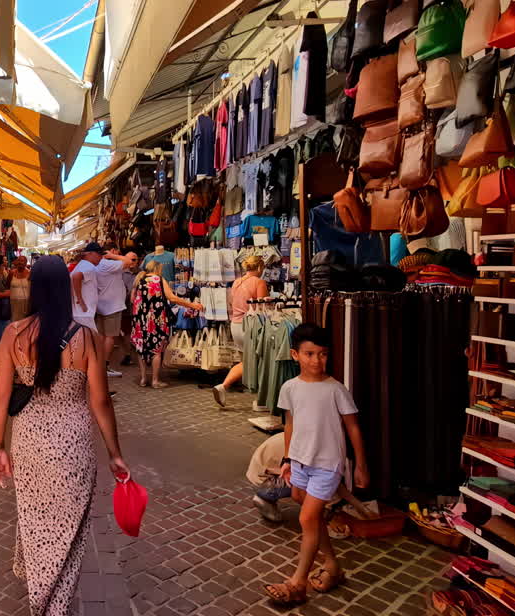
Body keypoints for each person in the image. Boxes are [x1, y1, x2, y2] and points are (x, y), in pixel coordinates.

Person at [0, 256, 129, 616]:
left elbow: (1, 398)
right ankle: (55, 602)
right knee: (71, 525)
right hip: (74, 443)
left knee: (35, 519)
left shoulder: (13, 335)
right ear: (67, 290)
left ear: (34, 288)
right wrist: (115, 454)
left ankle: (41, 594)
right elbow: (100, 402)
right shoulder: (86, 338)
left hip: (29, 442)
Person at [264, 324, 369, 607]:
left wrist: (360, 465)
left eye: (323, 355)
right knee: (304, 506)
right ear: (295, 355)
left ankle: (297, 584)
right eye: (310, 354)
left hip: (327, 463)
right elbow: (290, 424)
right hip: (300, 460)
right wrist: (287, 459)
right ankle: (333, 565)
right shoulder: (290, 388)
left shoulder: (336, 389)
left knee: (307, 519)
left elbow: (353, 428)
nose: (316, 361)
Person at [130, 260, 203, 389]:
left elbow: (132, 300)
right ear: (158, 269)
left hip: (140, 320)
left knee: (141, 349)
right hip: (157, 319)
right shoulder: (158, 279)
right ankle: (155, 380)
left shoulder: (139, 279)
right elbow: (172, 298)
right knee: (156, 350)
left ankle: (143, 379)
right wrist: (192, 305)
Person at [213, 254, 270, 408]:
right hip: (250, 326)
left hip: (236, 325)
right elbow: (262, 309)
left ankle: (223, 386)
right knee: (262, 361)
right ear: (259, 267)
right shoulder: (259, 282)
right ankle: (261, 400)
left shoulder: (237, 282)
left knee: (247, 362)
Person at [94, 247, 134, 377]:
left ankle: (99, 364)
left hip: (101, 304)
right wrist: (112, 256)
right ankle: (104, 366)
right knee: (110, 336)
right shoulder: (107, 263)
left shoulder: (98, 265)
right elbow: (129, 261)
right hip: (112, 306)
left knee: (102, 336)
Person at [70, 243, 104, 331]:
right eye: (99, 254)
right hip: (84, 314)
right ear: (89, 253)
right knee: (90, 341)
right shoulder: (88, 266)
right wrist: (80, 300)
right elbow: (76, 276)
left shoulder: (83, 264)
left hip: (81, 313)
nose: (101, 257)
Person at [10, 255, 32, 321]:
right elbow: (7, 287)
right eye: (19, 260)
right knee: (14, 323)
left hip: (26, 304)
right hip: (13, 303)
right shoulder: (11, 273)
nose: (20, 262)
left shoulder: (30, 273)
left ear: (25, 263)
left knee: (24, 322)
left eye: (22, 261)